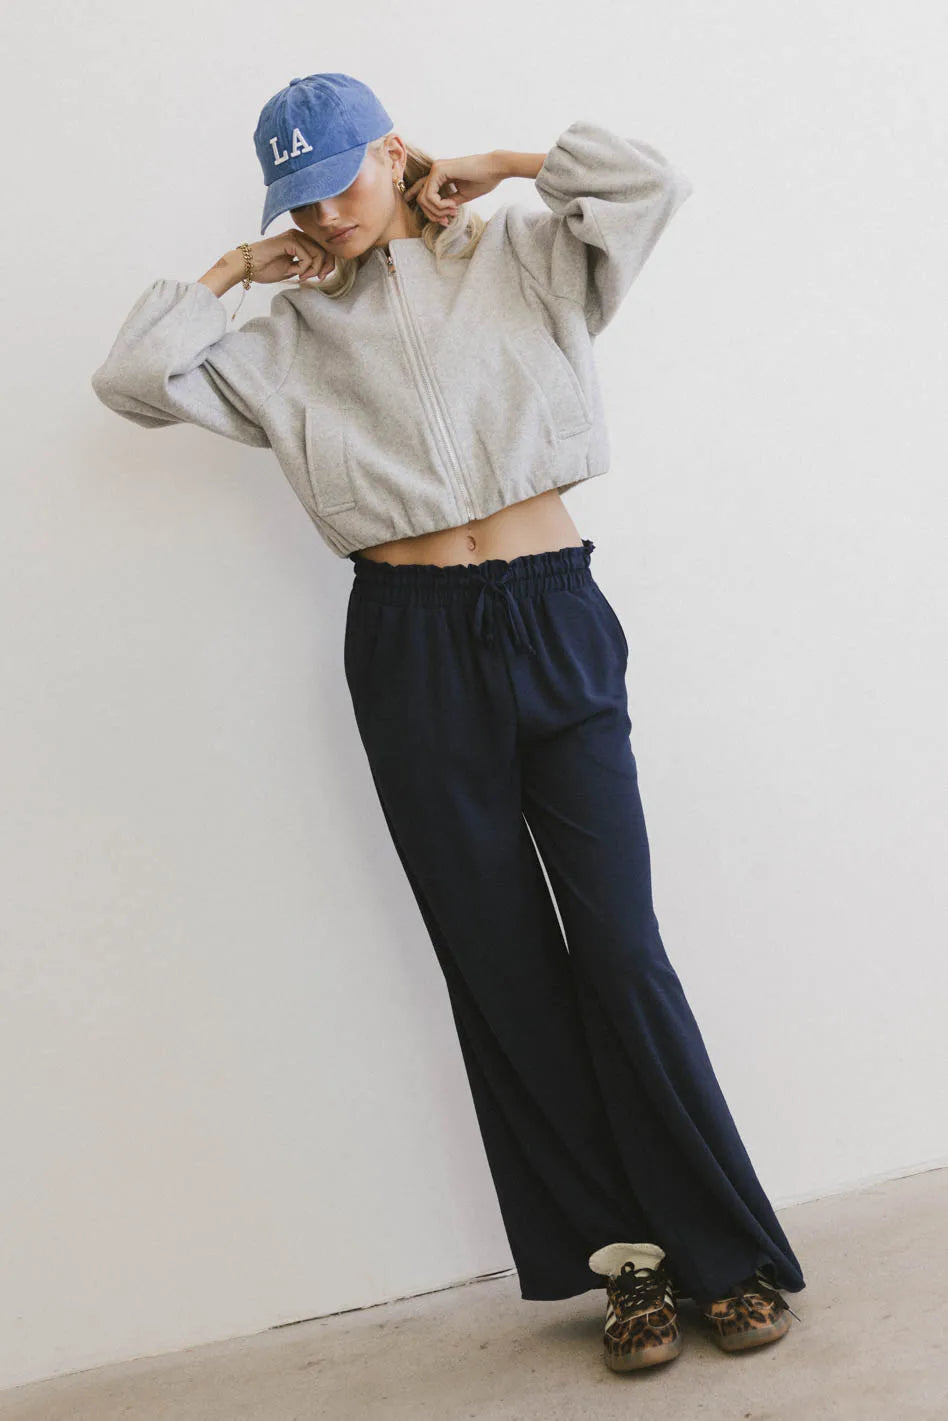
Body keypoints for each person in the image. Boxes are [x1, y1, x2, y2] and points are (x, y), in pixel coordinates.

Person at [90, 71, 806, 1372]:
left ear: (393, 152)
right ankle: (629, 1270)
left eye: (342, 182)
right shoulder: (286, 334)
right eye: (299, 198)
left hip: (552, 610)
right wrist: (239, 269)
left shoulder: (523, 257)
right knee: (503, 967)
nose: (327, 214)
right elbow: (133, 378)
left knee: (623, 951)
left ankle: (726, 1253)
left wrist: (511, 161)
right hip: (409, 646)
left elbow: (652, 185)